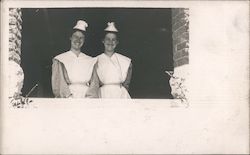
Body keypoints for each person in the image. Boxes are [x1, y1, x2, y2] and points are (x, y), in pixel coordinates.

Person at [51, 20, 96, 98]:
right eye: (75, 37)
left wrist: (89, 98)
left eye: (81, 38)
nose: (78, 40)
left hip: (87, 98)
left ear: (84, 40)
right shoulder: (60, 59)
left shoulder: (91, 60)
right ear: (70, 38)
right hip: (68, 97)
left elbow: (94, 84)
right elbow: (59, 83)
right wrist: (68, 97)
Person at [86, 22, 132, 98]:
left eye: (113, 40)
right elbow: (94, 84)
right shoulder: (95, 60)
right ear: (103, 41)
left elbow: (126, 84)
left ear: (117, 42)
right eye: (108, 39)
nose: (110, 42)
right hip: (103, 94)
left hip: (120, 95)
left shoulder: (125, 61)